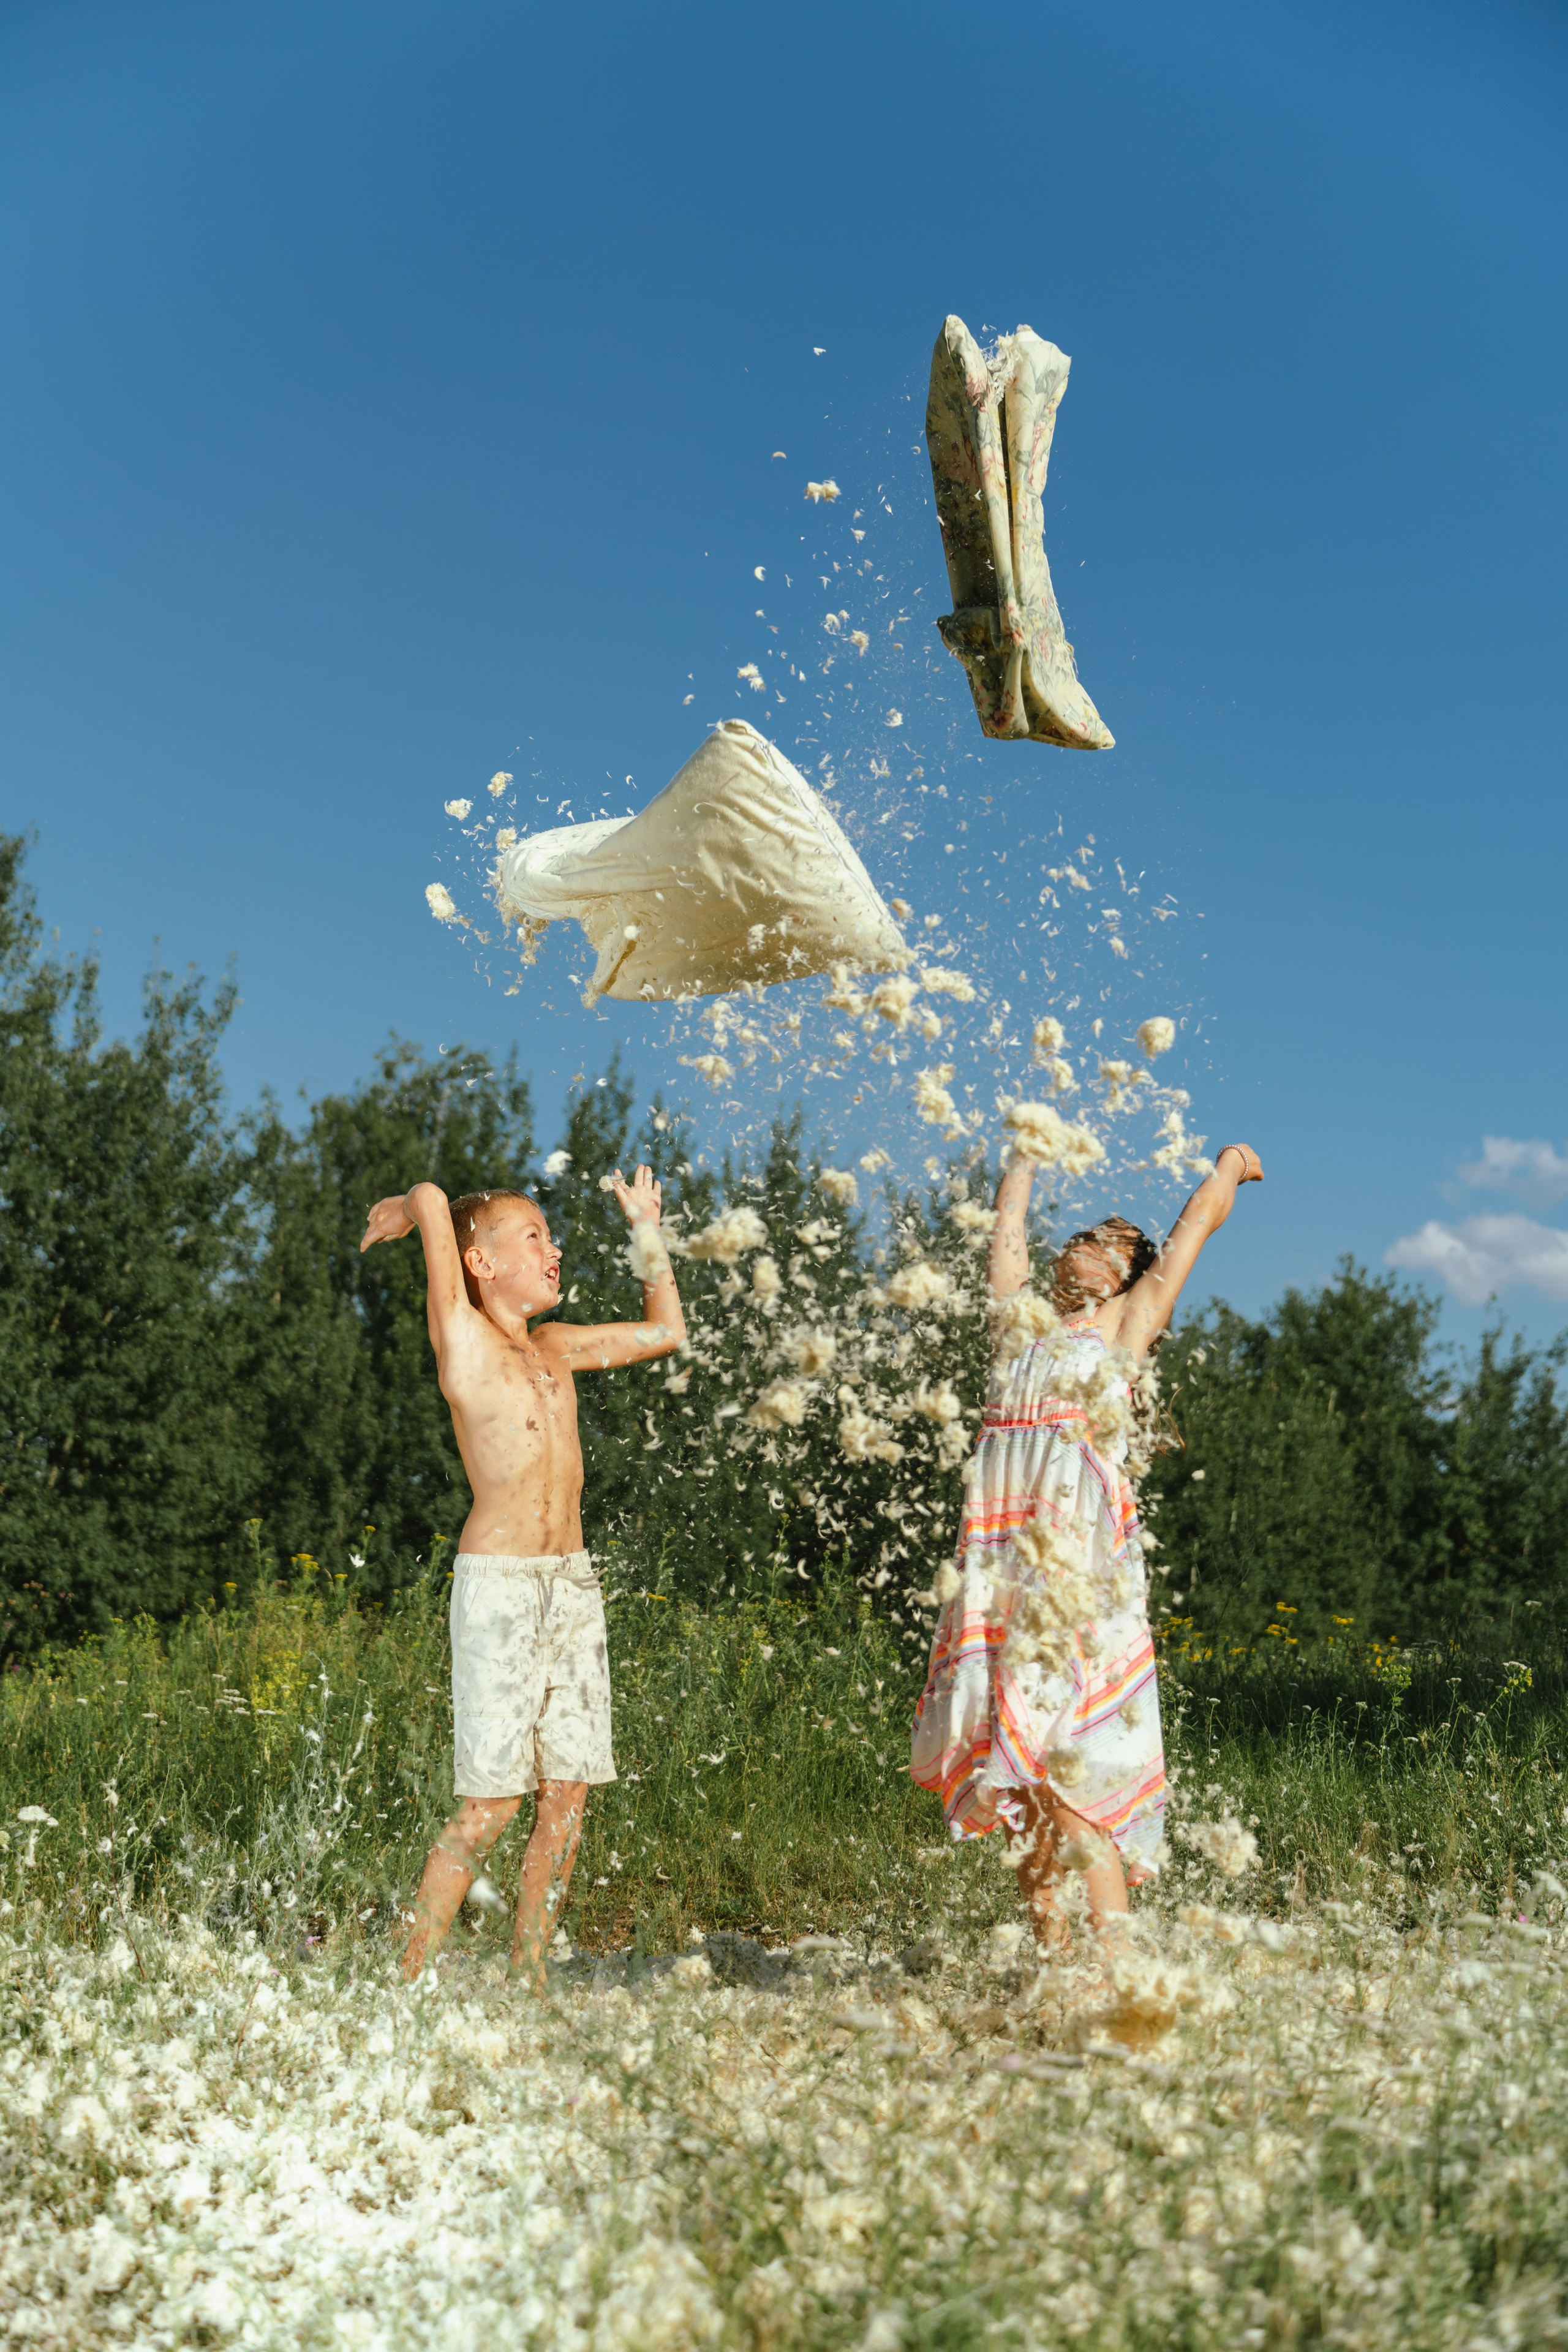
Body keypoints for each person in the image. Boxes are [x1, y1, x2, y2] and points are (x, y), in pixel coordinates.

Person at [910, 1142, 1264, 1950]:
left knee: (1071, 1775)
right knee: (1020, 1779)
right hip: (1001, 1568)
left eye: (1110, 1242)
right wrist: (1023, 1160)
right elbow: (1005, 1234)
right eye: (1083, 1233)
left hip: (1075, 1570)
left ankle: (1120, 1976)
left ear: (1128, 1277)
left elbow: (1189, 1236)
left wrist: (1228, 1170)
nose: (1086, 1242)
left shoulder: (1125, 1331)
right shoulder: (1023, 1328)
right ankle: (1057, 1969)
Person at [359, 1169, 685, 1988]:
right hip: (500, 1586)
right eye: (533, 1236)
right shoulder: (462, 1340)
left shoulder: (557, 1348)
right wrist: (408, 1212)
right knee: (492, 1805)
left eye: (551, 1235)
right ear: (481, 1262)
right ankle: (404, 1982)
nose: (554, 1248)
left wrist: (649, 1231)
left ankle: (530, 1977)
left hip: (570, 1584)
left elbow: (665, 1332)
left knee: (567, 1796)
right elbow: (435, 1196)